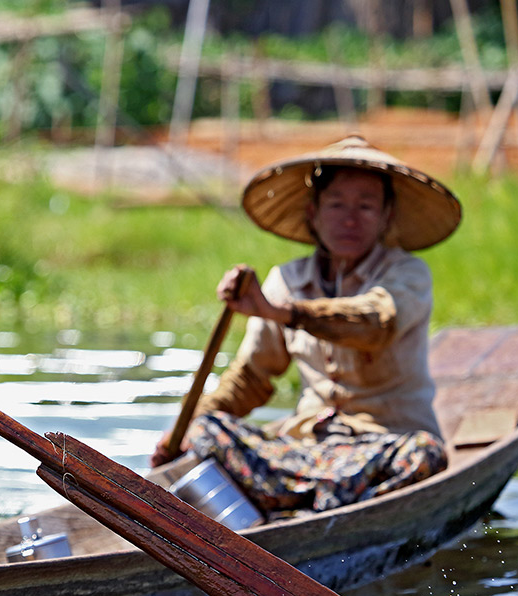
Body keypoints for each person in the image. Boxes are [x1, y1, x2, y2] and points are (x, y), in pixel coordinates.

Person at [152, 136, 461, 518]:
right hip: (308, 452)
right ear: (313, 213)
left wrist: (284, 313)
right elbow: (251, 379)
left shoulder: (406, 274)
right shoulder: (286, 280)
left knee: (424, 455)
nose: (350, 218)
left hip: (383, 445)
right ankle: (320, 500)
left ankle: (309, 506)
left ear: (386, 216)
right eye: (336, 205)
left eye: (366, 206)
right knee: (207, 430)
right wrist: (179, 433)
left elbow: (374, 323)